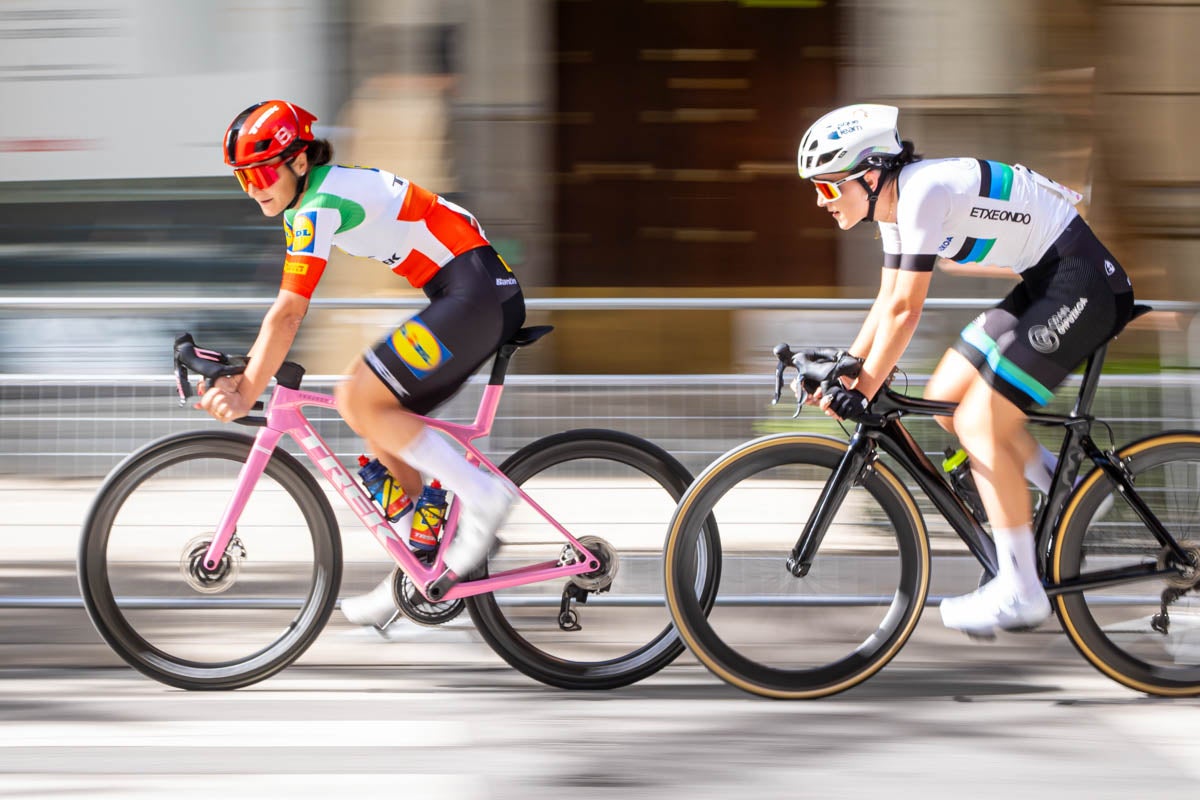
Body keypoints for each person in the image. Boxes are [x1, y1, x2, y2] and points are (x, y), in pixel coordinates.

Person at [795, 103, 1135, 637]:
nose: (820, 200)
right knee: (949, 399)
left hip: (1084, 285)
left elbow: (908, 311)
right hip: (1046, 281)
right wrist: (847, 370)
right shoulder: (896, 205)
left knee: (981, 421)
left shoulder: (922, 193)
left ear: (871, 171)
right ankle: (1069, 487)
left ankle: (1021, 591)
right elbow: (886, 303)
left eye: (829, 187)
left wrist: (862, 388)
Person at [204, 99, 525, 627]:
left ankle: (485, 497)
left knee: (361, 397)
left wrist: (244, 391)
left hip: (476, 293)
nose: (256, 187)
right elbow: (285, 313)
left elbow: (288, 313)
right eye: (244, 179)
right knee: (370, 413)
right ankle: (421, 574)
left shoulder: (317, 204)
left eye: (263, 171)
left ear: (299, 161)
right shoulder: (316, 195)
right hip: (470, 290)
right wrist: (248, 375)